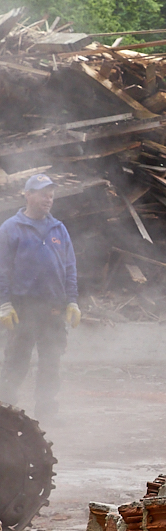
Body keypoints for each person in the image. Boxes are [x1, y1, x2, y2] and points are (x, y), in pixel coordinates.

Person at [0, 174, 80, 419]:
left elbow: (69, 267)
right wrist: (4, 304)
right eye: (43, 194)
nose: (49, 199)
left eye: (51, 194)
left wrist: (72, 300)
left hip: (53, 309)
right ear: (28, 195)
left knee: (51, 362)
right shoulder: (11, 228)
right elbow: (2, 268)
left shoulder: (58, 228)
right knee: (16, 362)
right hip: (23, 309)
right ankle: (6, 416)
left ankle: (47, 413)